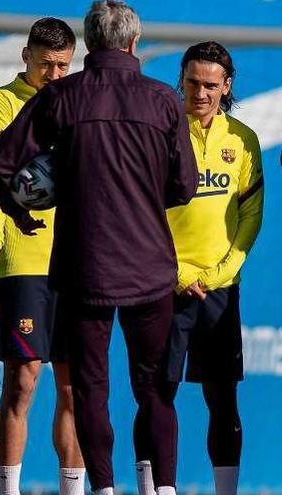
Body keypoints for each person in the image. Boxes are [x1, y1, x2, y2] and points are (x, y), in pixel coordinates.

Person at [0, 2, 198, 494]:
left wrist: (21, 212)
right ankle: (160, 488)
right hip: (150, 268)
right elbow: (184, 185)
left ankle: (102, 488)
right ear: (133, 43)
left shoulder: (62, 95)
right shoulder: (164, 100)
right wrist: (143, 198)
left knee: (89, 390)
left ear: (90, 43)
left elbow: (0, 165)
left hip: (85, 267)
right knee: (155, 391)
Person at [135, 41, 263, 495]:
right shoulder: (160, 132)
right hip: (165, 285)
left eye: (211, 85)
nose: (201, 93)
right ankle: (154, 489)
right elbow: (141, 212)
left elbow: (250, 215)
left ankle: (225, 491)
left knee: (222, 398)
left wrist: (226, 269)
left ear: (226, 87)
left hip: (220, 288)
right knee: (156, 392)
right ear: (181, 81)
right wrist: (176, 273)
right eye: (193, 83)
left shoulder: (243, 140)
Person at [0, 18, 85, 495]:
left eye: (63, 65)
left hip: (77, 261)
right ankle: (9, 488)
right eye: (46, 64)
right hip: (22, 258)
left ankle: (72, 487)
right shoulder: (0, 101)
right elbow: (13, 178)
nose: (55, 75)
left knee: (74, 387)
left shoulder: (79, 103)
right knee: (23, 381)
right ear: (25, 57)